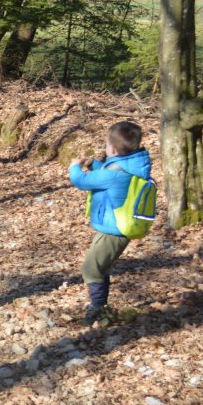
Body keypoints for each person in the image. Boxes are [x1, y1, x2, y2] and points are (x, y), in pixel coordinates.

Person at [68, 121, 152, 325]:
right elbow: (107, 171)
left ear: (112, 149)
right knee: (100, 268)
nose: (105, 148)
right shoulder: (129, 164)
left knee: (91, 270)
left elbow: (82, 181)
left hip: (114, 231)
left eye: (107, 145)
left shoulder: (114, 174)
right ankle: (100, 307)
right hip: (114, 228)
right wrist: (93, 164)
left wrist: (74, 168)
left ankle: (97, 310)